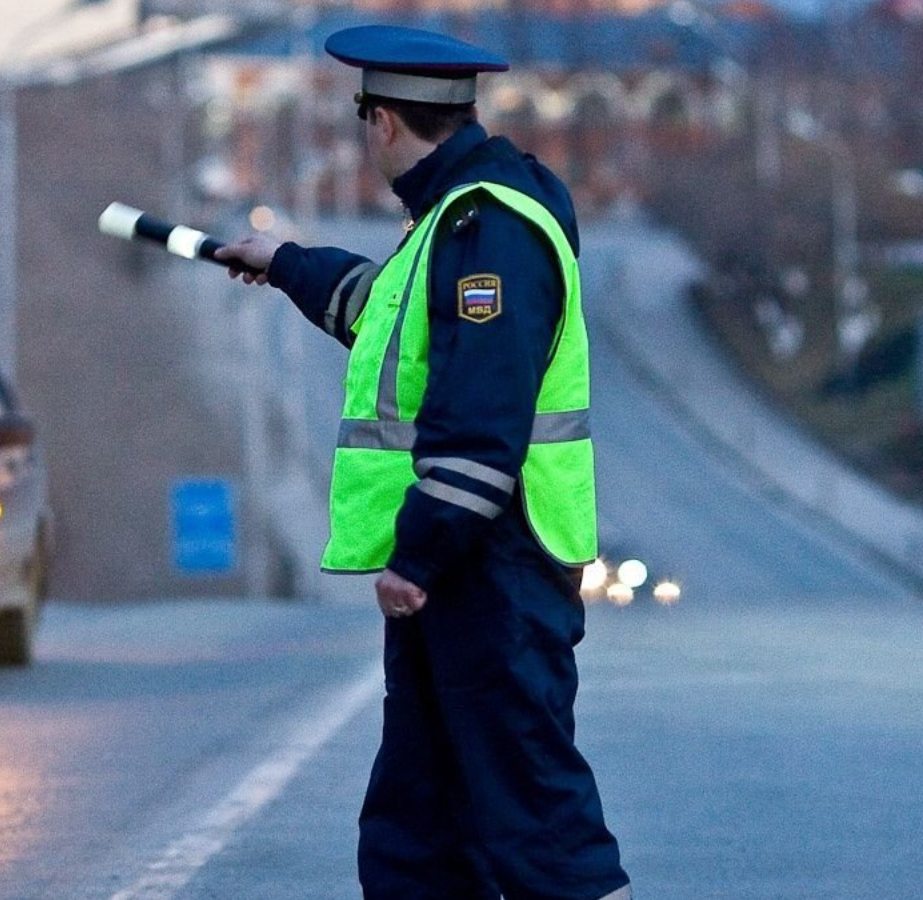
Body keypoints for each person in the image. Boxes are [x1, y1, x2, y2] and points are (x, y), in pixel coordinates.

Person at [214, 24, 632, 900]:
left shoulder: (490, 229)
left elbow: (482, 416)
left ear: (383, 122)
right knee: (422, 827)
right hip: (467, 576)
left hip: (493, 567)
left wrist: (420, 555)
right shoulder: (453, 222)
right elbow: (387, 317)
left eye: (363, 118)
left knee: (532, 816)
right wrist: (284, 263)